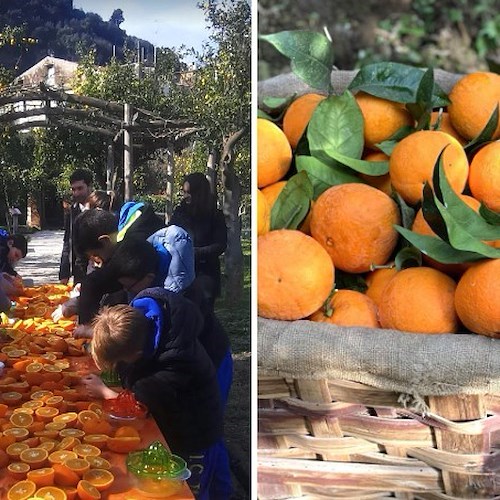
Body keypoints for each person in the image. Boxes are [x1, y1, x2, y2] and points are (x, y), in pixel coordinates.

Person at [106, 237, 233, 498]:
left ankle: (221, 491)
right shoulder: (149, 304)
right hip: (187, 383)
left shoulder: (180, 297)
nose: (125, 292)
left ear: (148, 277)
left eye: (127, 286)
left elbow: (160, 381)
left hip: (212, 362)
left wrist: (109, 391)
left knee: (210, 442)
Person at [83, 292, 226, 499]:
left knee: (192, 489)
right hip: (174, 418)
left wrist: (105, 391)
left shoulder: (177, 360)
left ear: (137, 356)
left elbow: (141, 399)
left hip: (196, 432)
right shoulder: (144, 321)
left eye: (123, 361)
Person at [170, 173, 227, 310]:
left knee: (203, 313)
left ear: (199, 193)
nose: (186, 196)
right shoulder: (180, 212)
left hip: (205, 272)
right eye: (184, 192)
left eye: (189, 193)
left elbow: (220, 245)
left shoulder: (215, 215)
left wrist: (196, 252)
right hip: (181, 271)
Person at [59, 168, 93, 285]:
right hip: (79, 270)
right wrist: (64, 273)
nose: (76, 193)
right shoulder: (72, 211)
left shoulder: (101, 208)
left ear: (89, 186)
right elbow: (67, 241)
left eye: (80, 188)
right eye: (73, 189)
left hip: (99, 269)